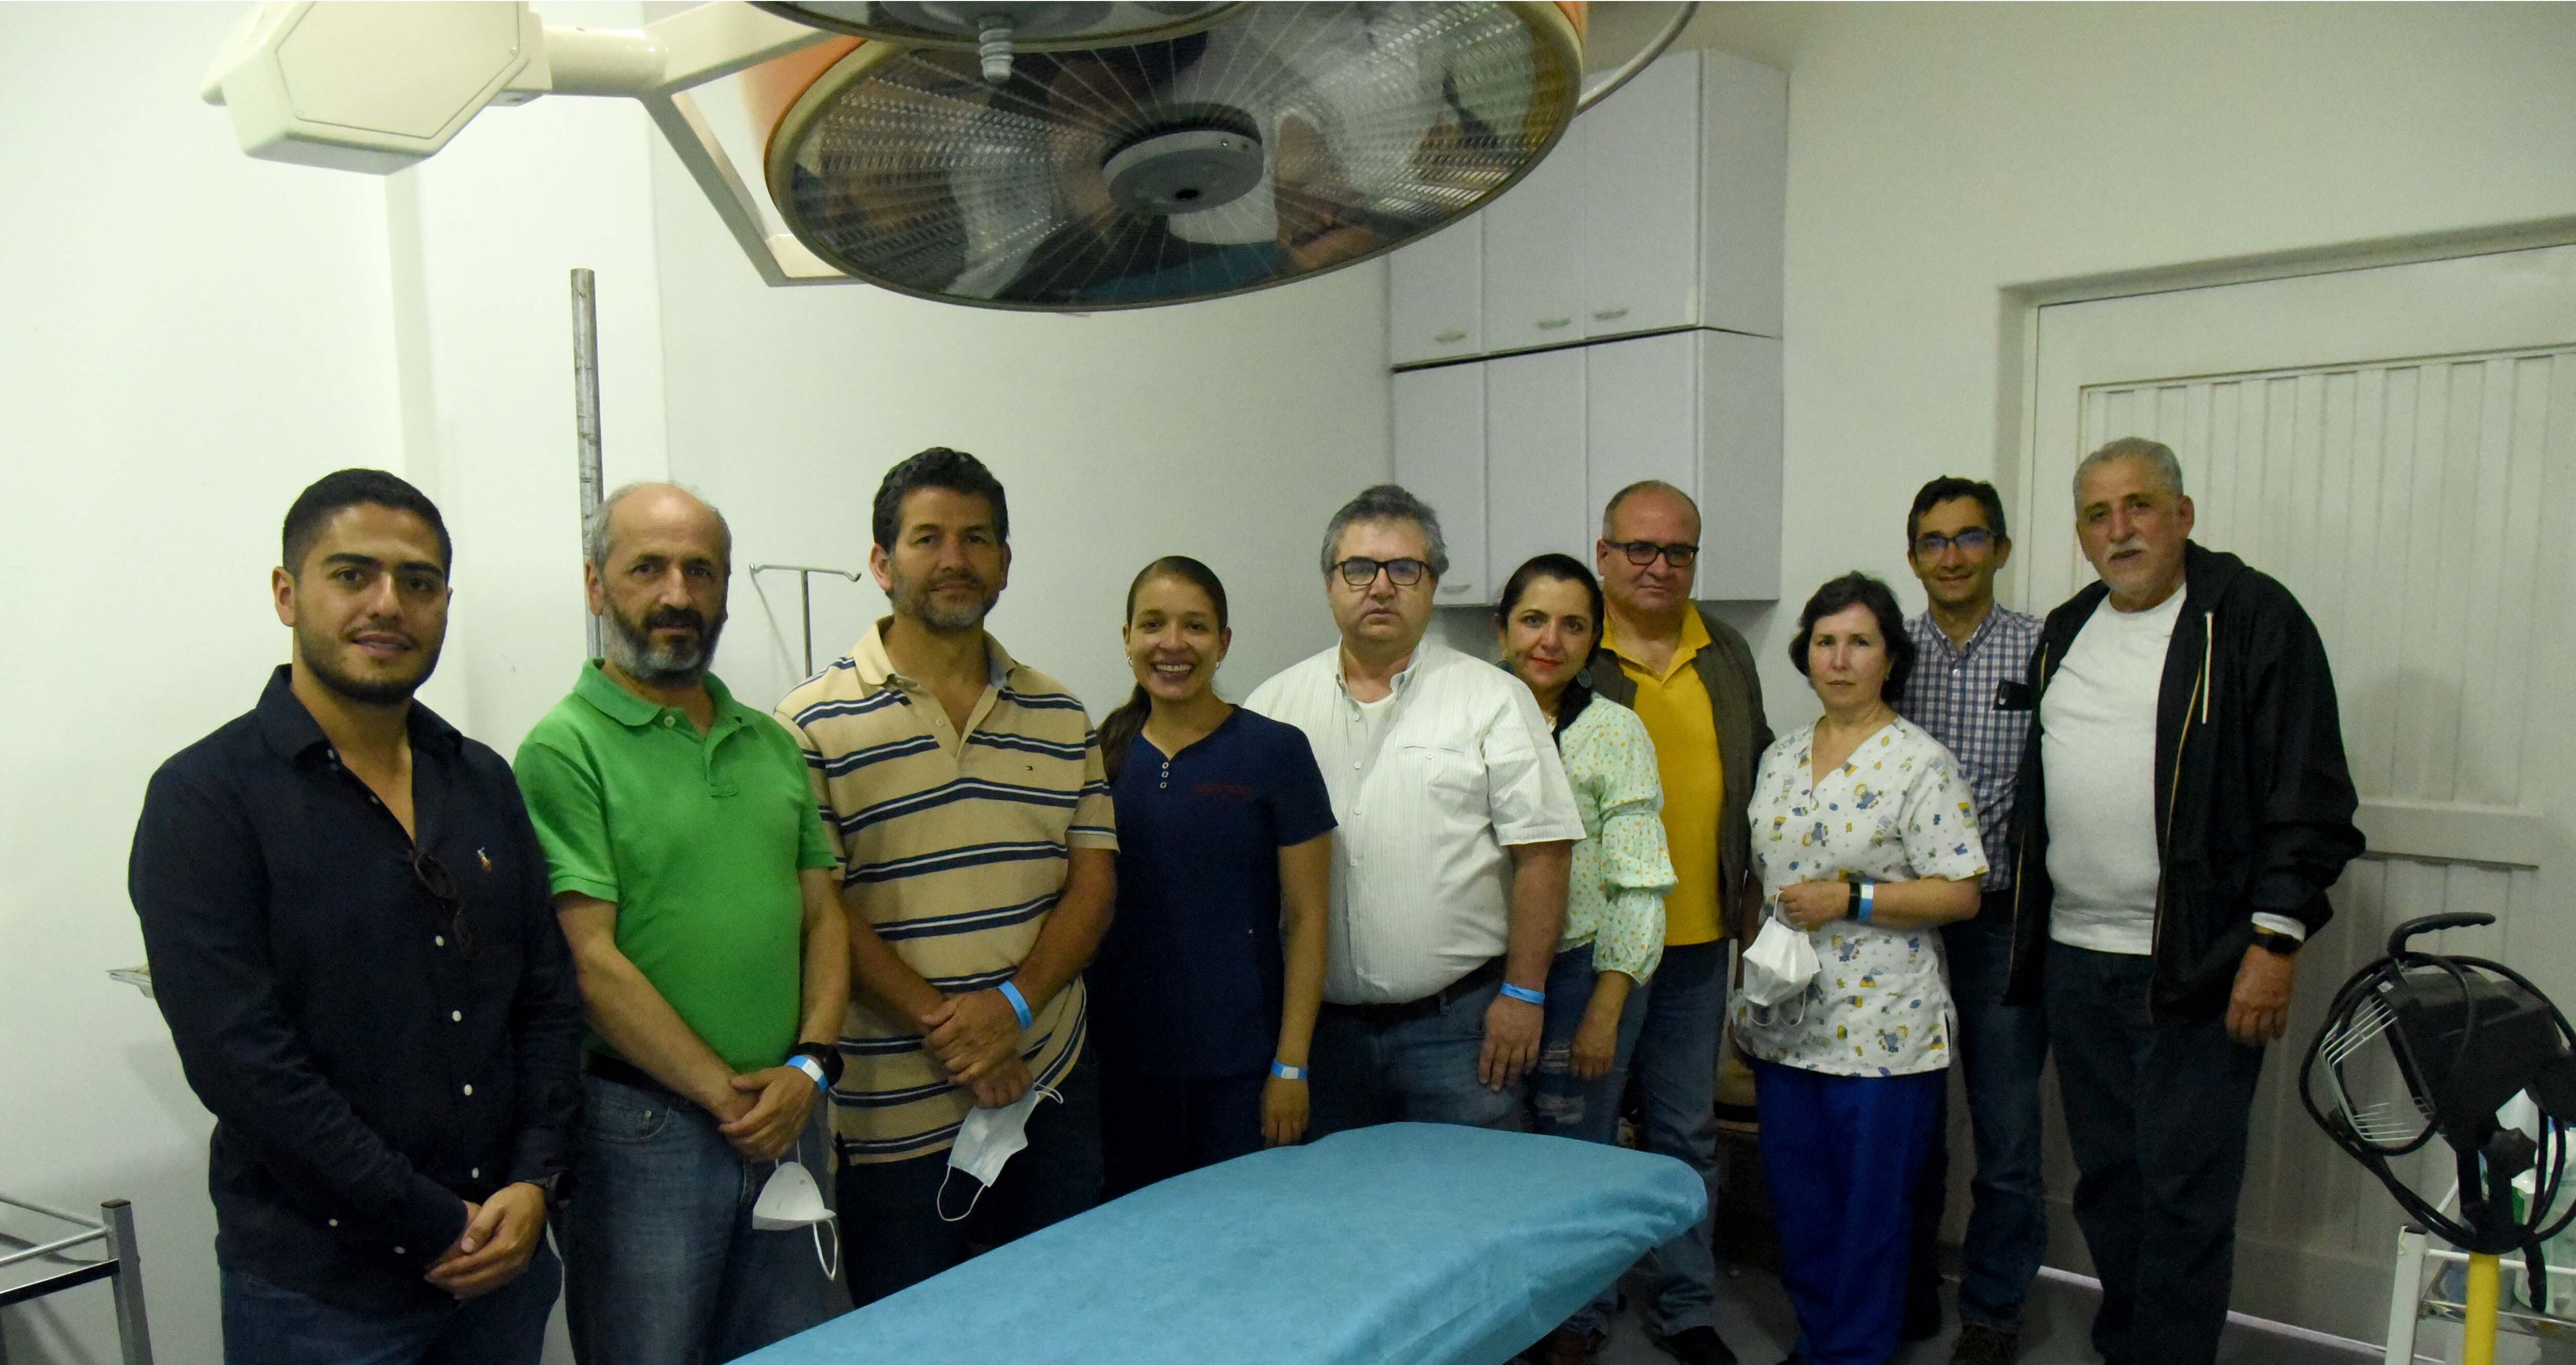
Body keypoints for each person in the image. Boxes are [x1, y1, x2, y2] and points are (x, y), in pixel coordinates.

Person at [130, 469, 581, 1365]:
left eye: (418, 583)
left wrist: (534, 1181)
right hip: (322, 1295)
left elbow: (546, 999)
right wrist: (427, 1218)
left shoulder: (482, 779)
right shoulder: (205, 799)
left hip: (502, 1270)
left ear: (445, 602)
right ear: (287, 594)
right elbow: (247, 1068)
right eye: (353, 576)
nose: (389, 605)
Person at [2004, 437, 2363, 1365]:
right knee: (2111, 1186)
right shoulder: (2068, 628)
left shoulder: (2251, 619)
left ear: (2183, 515)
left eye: (2139, 506)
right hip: (2079, 962)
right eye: (2097, 513)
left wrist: (2273, 943)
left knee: (2184, 1195)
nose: (2119, 530)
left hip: (2200, 966)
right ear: (2081, 533)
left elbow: (2311, 800)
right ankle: (2137, 1348)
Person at [514, 483, 851, 1364]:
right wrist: (728, 1097)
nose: (677, 594)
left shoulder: (770, 741)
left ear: (726, 589)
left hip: (790, 1112)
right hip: (646, 1133)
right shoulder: (565, 748)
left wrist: (809, 1068)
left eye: (701, 570)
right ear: (597, 587)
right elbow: (590, 961)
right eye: (648, 569)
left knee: (797, 1350)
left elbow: (823, 917)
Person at [774, 447, 1115, 1304]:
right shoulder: (808, 724)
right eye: (929, 538)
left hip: (1050, 1085)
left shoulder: (1061, 713)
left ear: (1005, 560)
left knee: (1069, 1320)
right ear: (883, 563)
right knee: (915, 1334)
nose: (956, 558)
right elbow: (823, 905)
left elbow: (1093, 884)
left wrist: (1013, 1010)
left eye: (978, 538)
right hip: (895, 1113)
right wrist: (954, 1032)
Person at [1245, 484, 1583, 1136]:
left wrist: (1523, 993)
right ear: (1329, 584)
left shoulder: (1492, 700)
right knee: (1343, 1220)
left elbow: (1543, 854)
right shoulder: (1272, 708)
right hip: (1319, 1035)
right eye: (1359, 569)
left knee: (1469, 1217)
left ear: (1432, 585)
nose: (1380, 587)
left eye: (1404, 569)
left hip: (1457, 1032)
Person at [1735, 572, 1989, 1365]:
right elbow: (1760, 883)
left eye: (1860, 641)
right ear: (1806, 655)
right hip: (1788, 1019)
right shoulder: (1779, 758)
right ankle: (1820, 1344)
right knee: (1803, 1204)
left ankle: (1853, 1355)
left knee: (1868, 1214)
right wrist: (1749, 986)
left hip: (1883, 1029)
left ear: (1889, 658)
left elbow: (1962, 892)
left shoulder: (1920, 763)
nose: (1840, 659)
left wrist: (1853, 896)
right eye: (1825, 641)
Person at [1580, 479, 1773, 1365]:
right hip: (1598, 953)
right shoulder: (1575, 653)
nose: (1661, 567)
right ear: (1605, 555)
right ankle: (1579, 1311)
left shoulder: (1726, 650)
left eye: (1679, 551)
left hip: (1699, 945)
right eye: (1642, 550)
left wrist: (1753, 902)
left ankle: (1687, 1305)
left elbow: (1756, 779)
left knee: (1684, 1133)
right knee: (1583, 1132)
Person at [1088, 556, 1335, 1196]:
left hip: (1243, 1070)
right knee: (1144, 1250)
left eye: (1194, 626)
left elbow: (1307, 919)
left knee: (1243, 1244)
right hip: (1124, 1069)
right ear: (1125, 638)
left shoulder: (1276, 752)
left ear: (1223, 643)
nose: (1172, 644)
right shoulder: (1096, 757)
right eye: (1153, 624)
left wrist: (1291, 1065)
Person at [1495, 553, 1676, 1365]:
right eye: (1534, 619)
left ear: (1595, 639)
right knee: (1499, 1157)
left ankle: (1580, 1319)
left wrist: (1608, 1003)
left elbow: (1640, 884)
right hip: (1485, 980)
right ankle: (1511, 1311)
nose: (1550, 639)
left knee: (1575, 1156)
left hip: (1584, 975)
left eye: (1573, 623)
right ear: (1504, 627)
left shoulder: (1616, 731)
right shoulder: (1472, 715)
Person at [1892, 477, 2047, 1364]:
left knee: (2008, 1131)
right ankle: (1909, 1291)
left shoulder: (2043, 651)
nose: (1951, 557)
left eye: (1970, 538)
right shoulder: (1888, 652)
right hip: (1901, 927)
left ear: (2002, 548)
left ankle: (1991, 1313)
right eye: (1934, 541)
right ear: (1912, 555)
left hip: (2000, 926)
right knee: (1911, 1127)